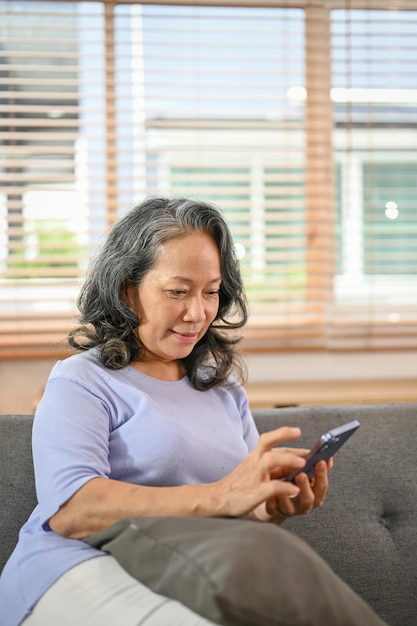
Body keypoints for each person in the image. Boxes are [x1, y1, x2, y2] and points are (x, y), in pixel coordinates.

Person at [0, 196, 332, 626]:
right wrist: (221, 495)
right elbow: (72, 511)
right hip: (77, 568)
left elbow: (236, 507)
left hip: (184, 565)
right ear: (126, 289)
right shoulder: (81, 381)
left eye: (210, 292)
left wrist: (267, 507)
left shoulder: (222, 387)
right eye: (177, 292)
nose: (197, 313)